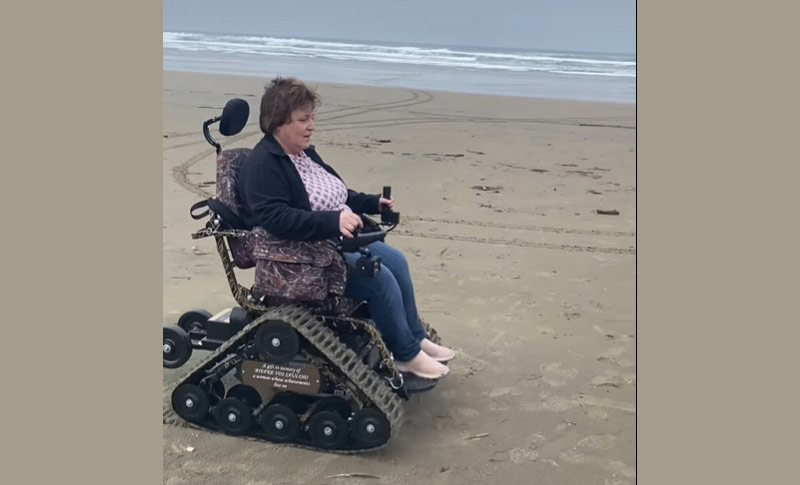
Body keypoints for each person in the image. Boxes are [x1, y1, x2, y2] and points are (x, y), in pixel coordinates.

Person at [237, 77, 455, 380]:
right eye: (303, 119)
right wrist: (332, 221)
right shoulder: (263, 165)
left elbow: (335, 193)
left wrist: (371, 203)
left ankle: (414, 339)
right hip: (301, 257)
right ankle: (405, 356)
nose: (311, 125)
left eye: (312, 117)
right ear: (278, 123)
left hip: (331, 242)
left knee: (396, 261)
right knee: (379, 277)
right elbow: (275, 218)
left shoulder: (304, 153)